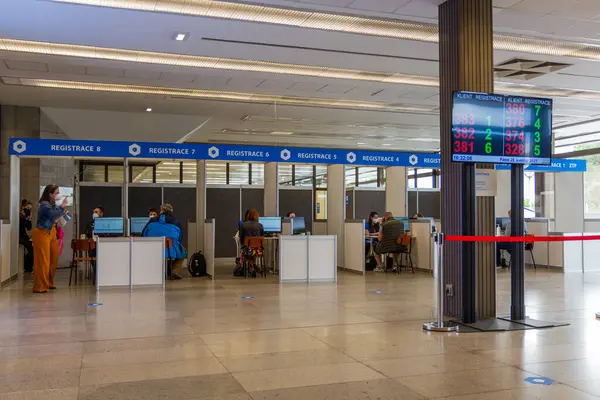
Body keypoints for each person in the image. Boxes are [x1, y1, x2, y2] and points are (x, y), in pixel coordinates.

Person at [32, 185, 67, 293]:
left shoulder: (51, 204)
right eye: (56, 192)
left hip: (51, 232)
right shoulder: (44, 205)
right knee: (43, 260)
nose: (58, 195)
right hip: (42, 233)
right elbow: (53, 215)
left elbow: (56, 214)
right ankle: (41, 286)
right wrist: (62, 207)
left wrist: (61, 209)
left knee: (54, 257)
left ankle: (49, 282)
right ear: (50, 194)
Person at [142, 203, 187, 280]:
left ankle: (149, 271)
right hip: (170, 248)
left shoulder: (152, 220)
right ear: (171, 211)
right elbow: (179, 238)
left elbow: (143, 235)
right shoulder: (176, 222)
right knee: (183, 252)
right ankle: (174, 270)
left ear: (161, 210)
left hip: (152, 249)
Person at [240, 209, 264, 278]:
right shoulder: (260, 225)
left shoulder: (243, 225)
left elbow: (241, 239)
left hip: (247, 250)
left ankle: (251, 267)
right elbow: (262, 237)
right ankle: (253, 265)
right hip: (258, 250)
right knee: (253, 249)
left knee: (248, 248)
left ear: (248, 216)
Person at [19, 200, 34, 273]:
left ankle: (28, 267)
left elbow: (29, 228)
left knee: (33, 246)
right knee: (31, 247)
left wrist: (29, 219)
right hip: (18, 236)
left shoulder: (26, 216)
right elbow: (21, 225)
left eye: (30, 209)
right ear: (23, 207)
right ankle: (27, 267)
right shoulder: (19, 215)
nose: (28, 210)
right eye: (27, 208)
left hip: (24, 235)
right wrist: (24, 217)